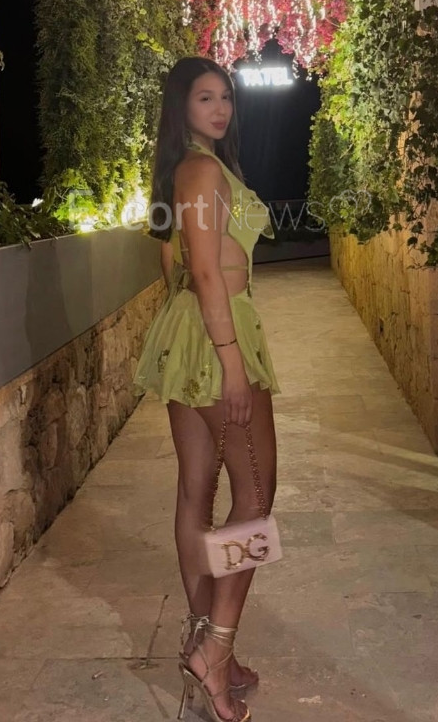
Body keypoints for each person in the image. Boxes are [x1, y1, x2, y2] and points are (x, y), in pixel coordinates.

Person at [132, 56, 280, 722]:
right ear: (182, 107)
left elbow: (172, 265)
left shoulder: (183, 171)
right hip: (218, 337)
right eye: (205, 98)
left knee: (197, 491)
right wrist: (231, 362)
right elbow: (206, 273)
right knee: (257, 496)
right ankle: (215, 651)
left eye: (225, 97)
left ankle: (205, 638)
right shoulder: (201, 171)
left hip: (187, 333)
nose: (220, 109)